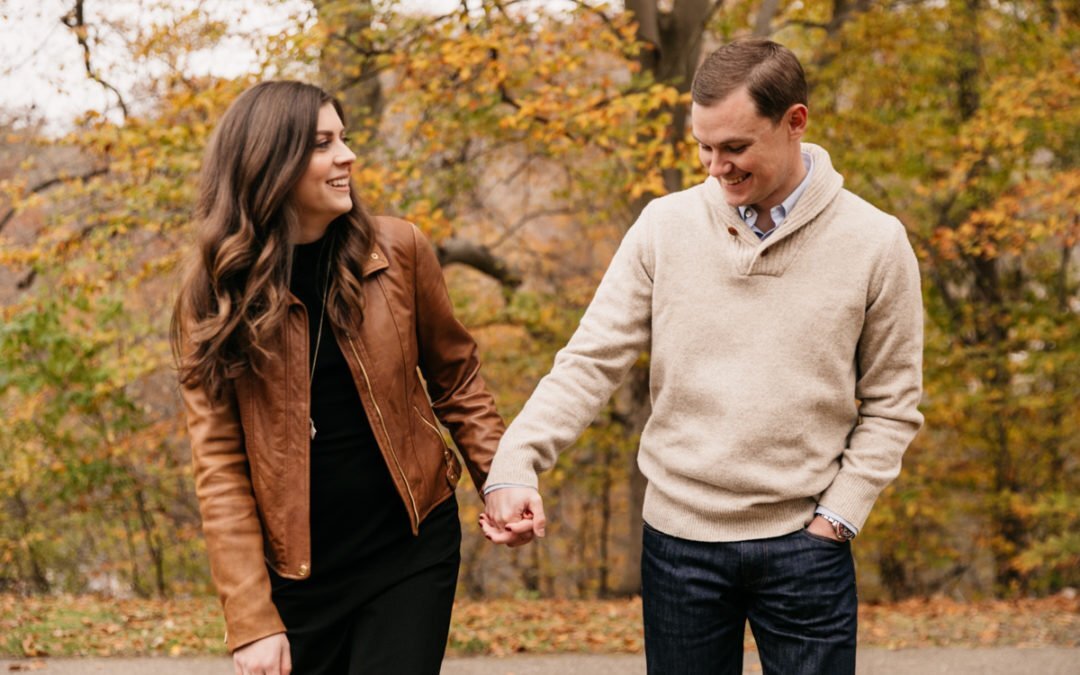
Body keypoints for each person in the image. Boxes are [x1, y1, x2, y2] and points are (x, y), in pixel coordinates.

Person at [480, 38, 924, 674]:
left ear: (794, 122)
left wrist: (838, 518)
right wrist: (517, 461)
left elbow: (892, 405)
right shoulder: (665, 226)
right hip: (678, 546)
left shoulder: (875, 242)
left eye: (735, 147)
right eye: (704, 147)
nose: (716, 167)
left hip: (806, 547)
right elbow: (589, 361)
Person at [172, 80, 504, 675]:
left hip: (410, 546)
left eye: (344, 139)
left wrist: (499, 481)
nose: (347, 156)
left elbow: (457, 379)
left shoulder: (398, 251)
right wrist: (251, 619)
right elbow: (219, 468)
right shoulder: (215, 296)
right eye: (324, 144)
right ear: (271, 164)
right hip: (296, 578)